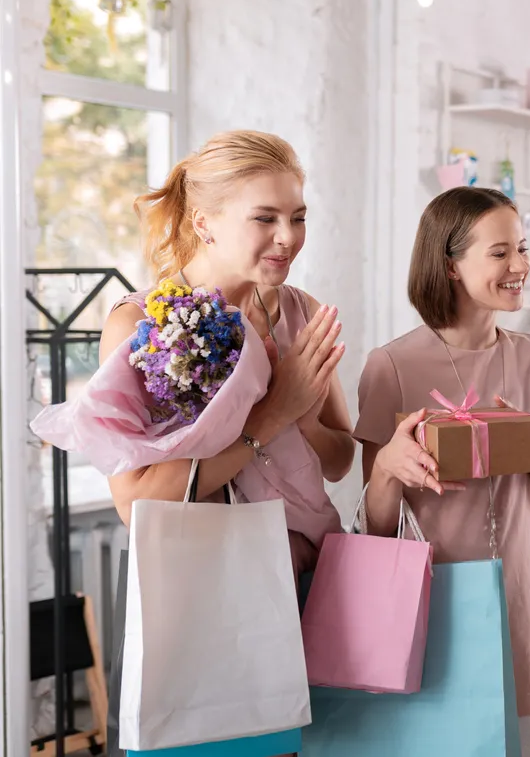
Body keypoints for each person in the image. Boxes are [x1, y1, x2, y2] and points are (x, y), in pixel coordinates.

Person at [99, 129, 353, 757]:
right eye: (264, 218)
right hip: (207, 606)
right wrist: (270, 414)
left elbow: (343, 458)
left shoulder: (303, 313)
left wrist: (303, 408)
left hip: (311, 592)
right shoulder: (140, 325)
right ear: (205, 222)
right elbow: (137, 502)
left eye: (297, 217)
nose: (288, 237)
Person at [354, 187, 530, 757]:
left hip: (520, 598)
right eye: (500, 253)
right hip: (430, 605)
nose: (521, 267)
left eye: (522, 249)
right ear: (451, 265)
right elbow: (375, 528)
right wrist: (385, 470)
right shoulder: (391, 366)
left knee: (524, 740)